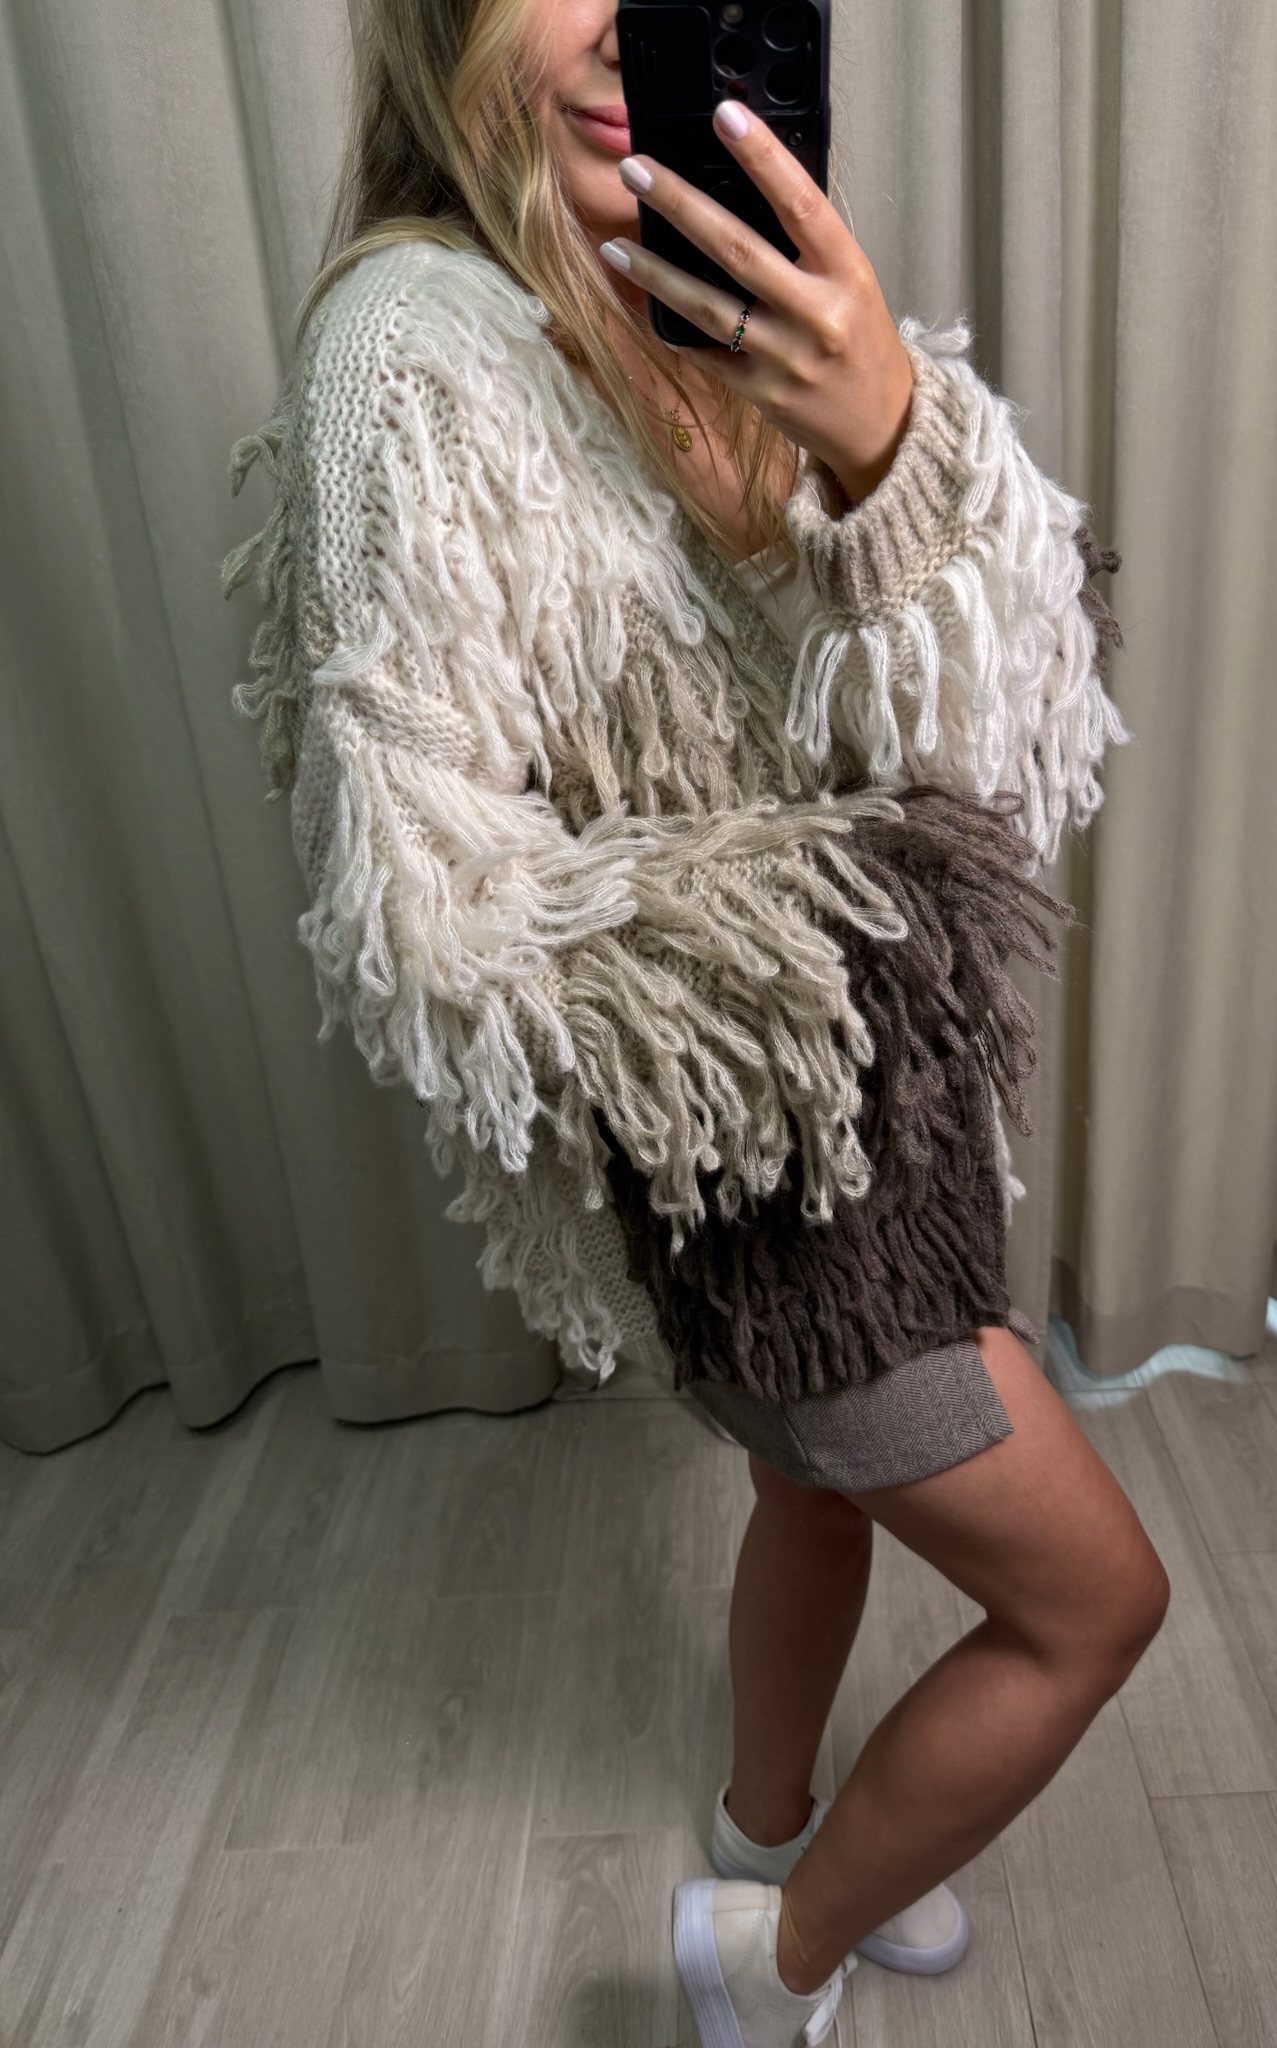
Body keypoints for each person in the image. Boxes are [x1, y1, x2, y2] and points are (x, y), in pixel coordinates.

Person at [223, 3, 1169, 2042]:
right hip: (769, 1173)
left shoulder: (681, 286)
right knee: (1097, 1603)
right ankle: (773, 1955)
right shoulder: (408, 353)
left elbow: (982, 732)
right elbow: (422, 885)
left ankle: (761, 1829)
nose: (625, 21)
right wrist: (791, 952)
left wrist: (886, 447)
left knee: (808, 1493)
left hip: (853, 1120)